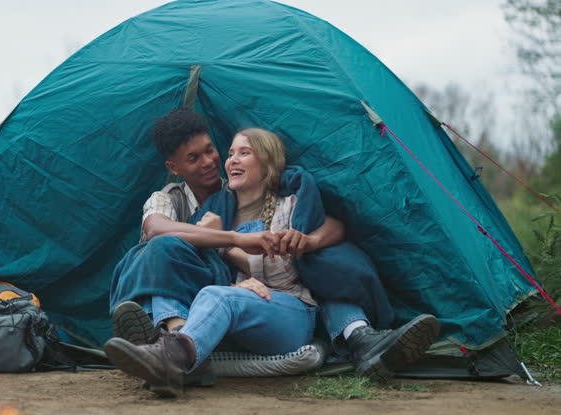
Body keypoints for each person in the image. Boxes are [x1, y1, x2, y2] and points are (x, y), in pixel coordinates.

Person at [108, 121, 440, 397]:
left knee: (322, 262)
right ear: (174, 167)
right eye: (230, 153)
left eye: (242, 153)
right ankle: (167, 343)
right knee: (172, 260)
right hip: (239, 303)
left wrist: (307, 242)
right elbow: (160, 231)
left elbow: (334, 227)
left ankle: (361, 337)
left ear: (267, 163)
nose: (222, 161)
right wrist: (228, 247)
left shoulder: (290, 204)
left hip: (288, 309)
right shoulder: (210, 212)